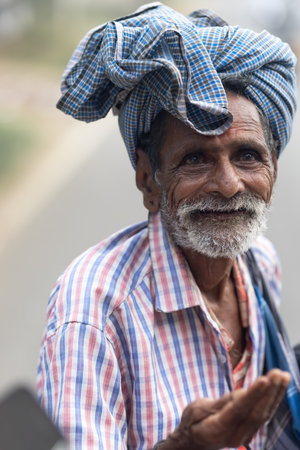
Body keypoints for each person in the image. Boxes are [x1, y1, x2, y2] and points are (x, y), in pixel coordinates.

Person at [37, 3, 300, 449]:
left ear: (273, 167)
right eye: (195, 159)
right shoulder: (94, 310)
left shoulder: (260, 265)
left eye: (248, 156)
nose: (229, 184)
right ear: (148, 179)